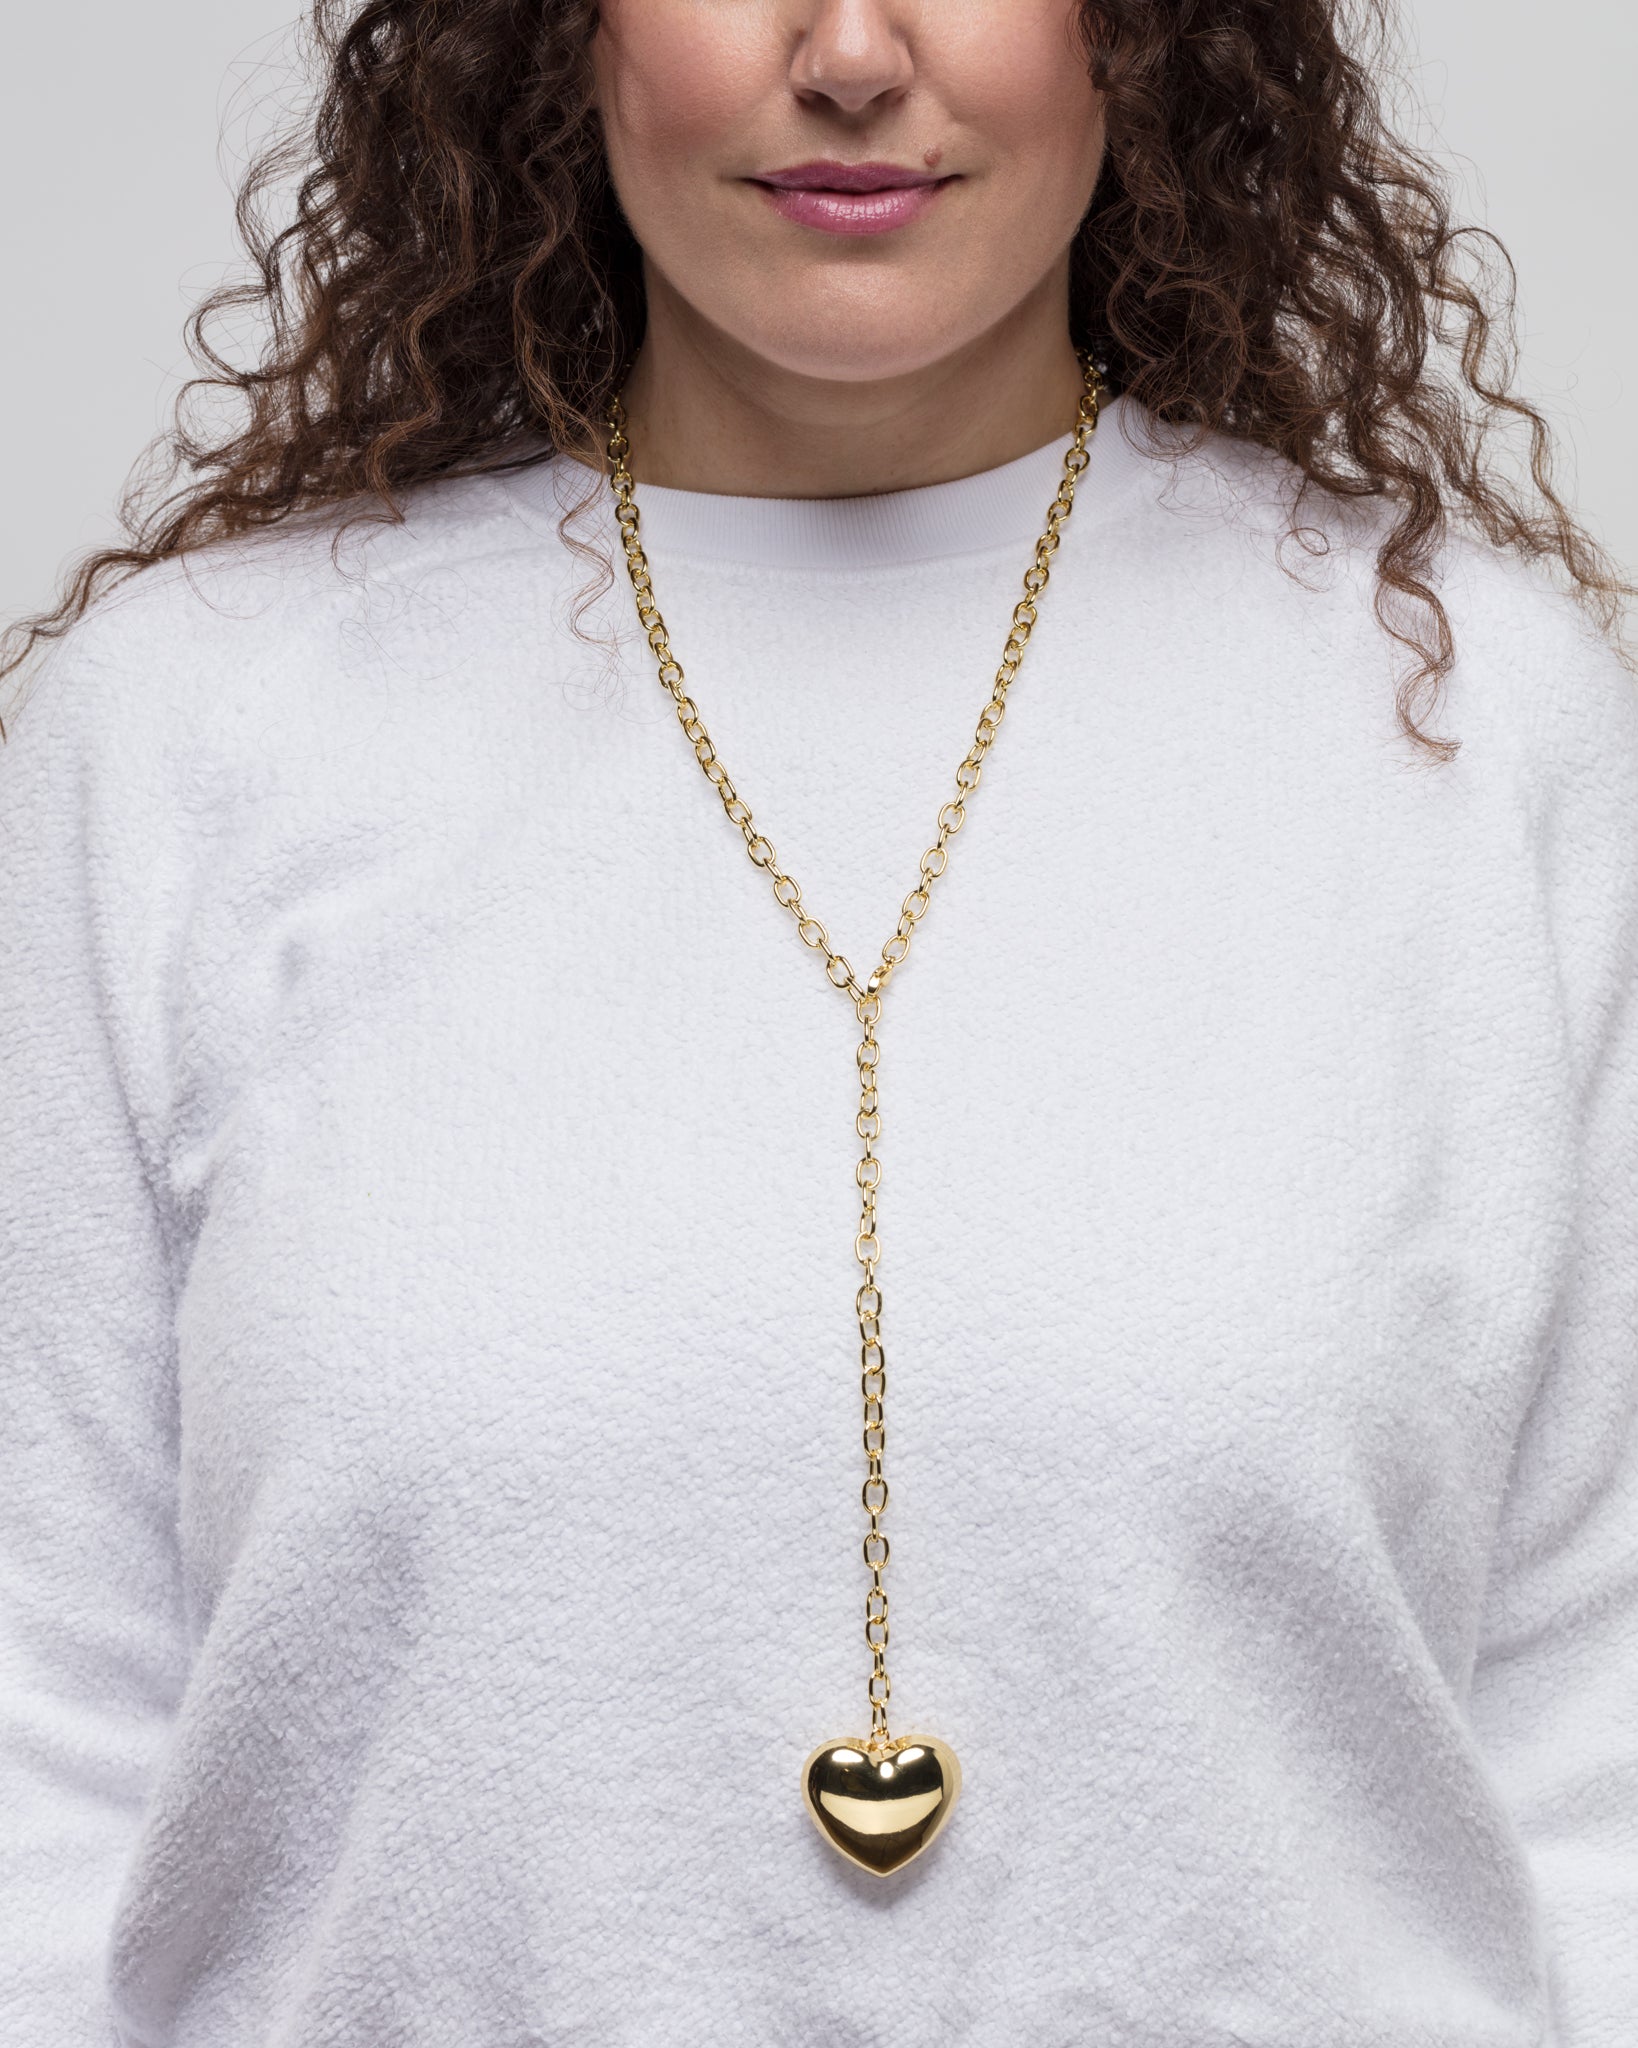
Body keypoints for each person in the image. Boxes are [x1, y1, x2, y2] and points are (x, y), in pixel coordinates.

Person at [1, 0, 1634, 2039]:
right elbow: (40, 1743)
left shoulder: (1480, 724)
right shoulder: (183, 732)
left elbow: (1602, 1731)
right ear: (557, 34)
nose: (853, 53)